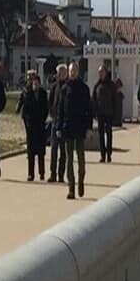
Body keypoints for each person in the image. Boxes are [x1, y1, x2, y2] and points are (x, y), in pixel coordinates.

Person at [61, 62, 93, 198]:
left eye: (74, 70)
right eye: (70, 70)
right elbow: (60, 109)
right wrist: (58, 126)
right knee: (69, 159)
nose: (72, 72)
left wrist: (89, 127)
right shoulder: (64, 88)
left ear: (78, 71)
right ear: (68, 72)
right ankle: (71, 188)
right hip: (67, 127)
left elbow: (89, 110)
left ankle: (81, 181)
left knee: (80, 158)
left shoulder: (84, 88)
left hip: (80, 127)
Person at [18, 68, 50, 180]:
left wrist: (43, 120)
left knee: (41, 152)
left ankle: (42, 173)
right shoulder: (28, 94)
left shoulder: (43, 94)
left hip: (40, 126)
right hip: (31, 126)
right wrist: (27, 121)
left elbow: (46, 108)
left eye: (37, 83)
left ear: (40, 84)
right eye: (33, 83)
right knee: (31, 152)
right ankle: (30, 174)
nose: (35, 85)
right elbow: (25, 110)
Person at [49, 64, 69, 184]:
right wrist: (53, 116)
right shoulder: (54, 87)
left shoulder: (67, 87)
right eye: (59, 73)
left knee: (63, 151)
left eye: (63, 72)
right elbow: (50, 103)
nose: (60, 75)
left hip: (64, 124)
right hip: (54, 122)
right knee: (53, 150)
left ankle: (61, 175)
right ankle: (53, 174)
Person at [95, 67, 118, 163]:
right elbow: (94, 99)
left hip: (109, 113)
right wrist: (94, 111)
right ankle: (102, 155)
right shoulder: (97, 85)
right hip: (100, 113)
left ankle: (109, 154)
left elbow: (115, 100)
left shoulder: (111, 85)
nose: (101, 74)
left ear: (106, 72)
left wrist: (115, 114)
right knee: (100, 135)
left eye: (102, 72)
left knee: (109, 134)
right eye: (99, 72)